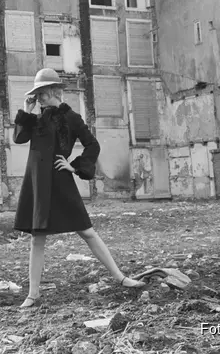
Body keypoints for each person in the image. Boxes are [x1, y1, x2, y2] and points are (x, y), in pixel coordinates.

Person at [12, 68, 146, 308]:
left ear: (53, 91)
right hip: (37, 182)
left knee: (87, 231)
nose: (38, 97)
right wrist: (26, 110)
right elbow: (19, 139)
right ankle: (33, 294)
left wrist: (74, 167)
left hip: (59, 180)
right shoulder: (36, 117)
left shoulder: (71, 117)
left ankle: (121, 277)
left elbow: (92, 145)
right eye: (36, 94)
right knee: (37, 238)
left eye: (41, 93)